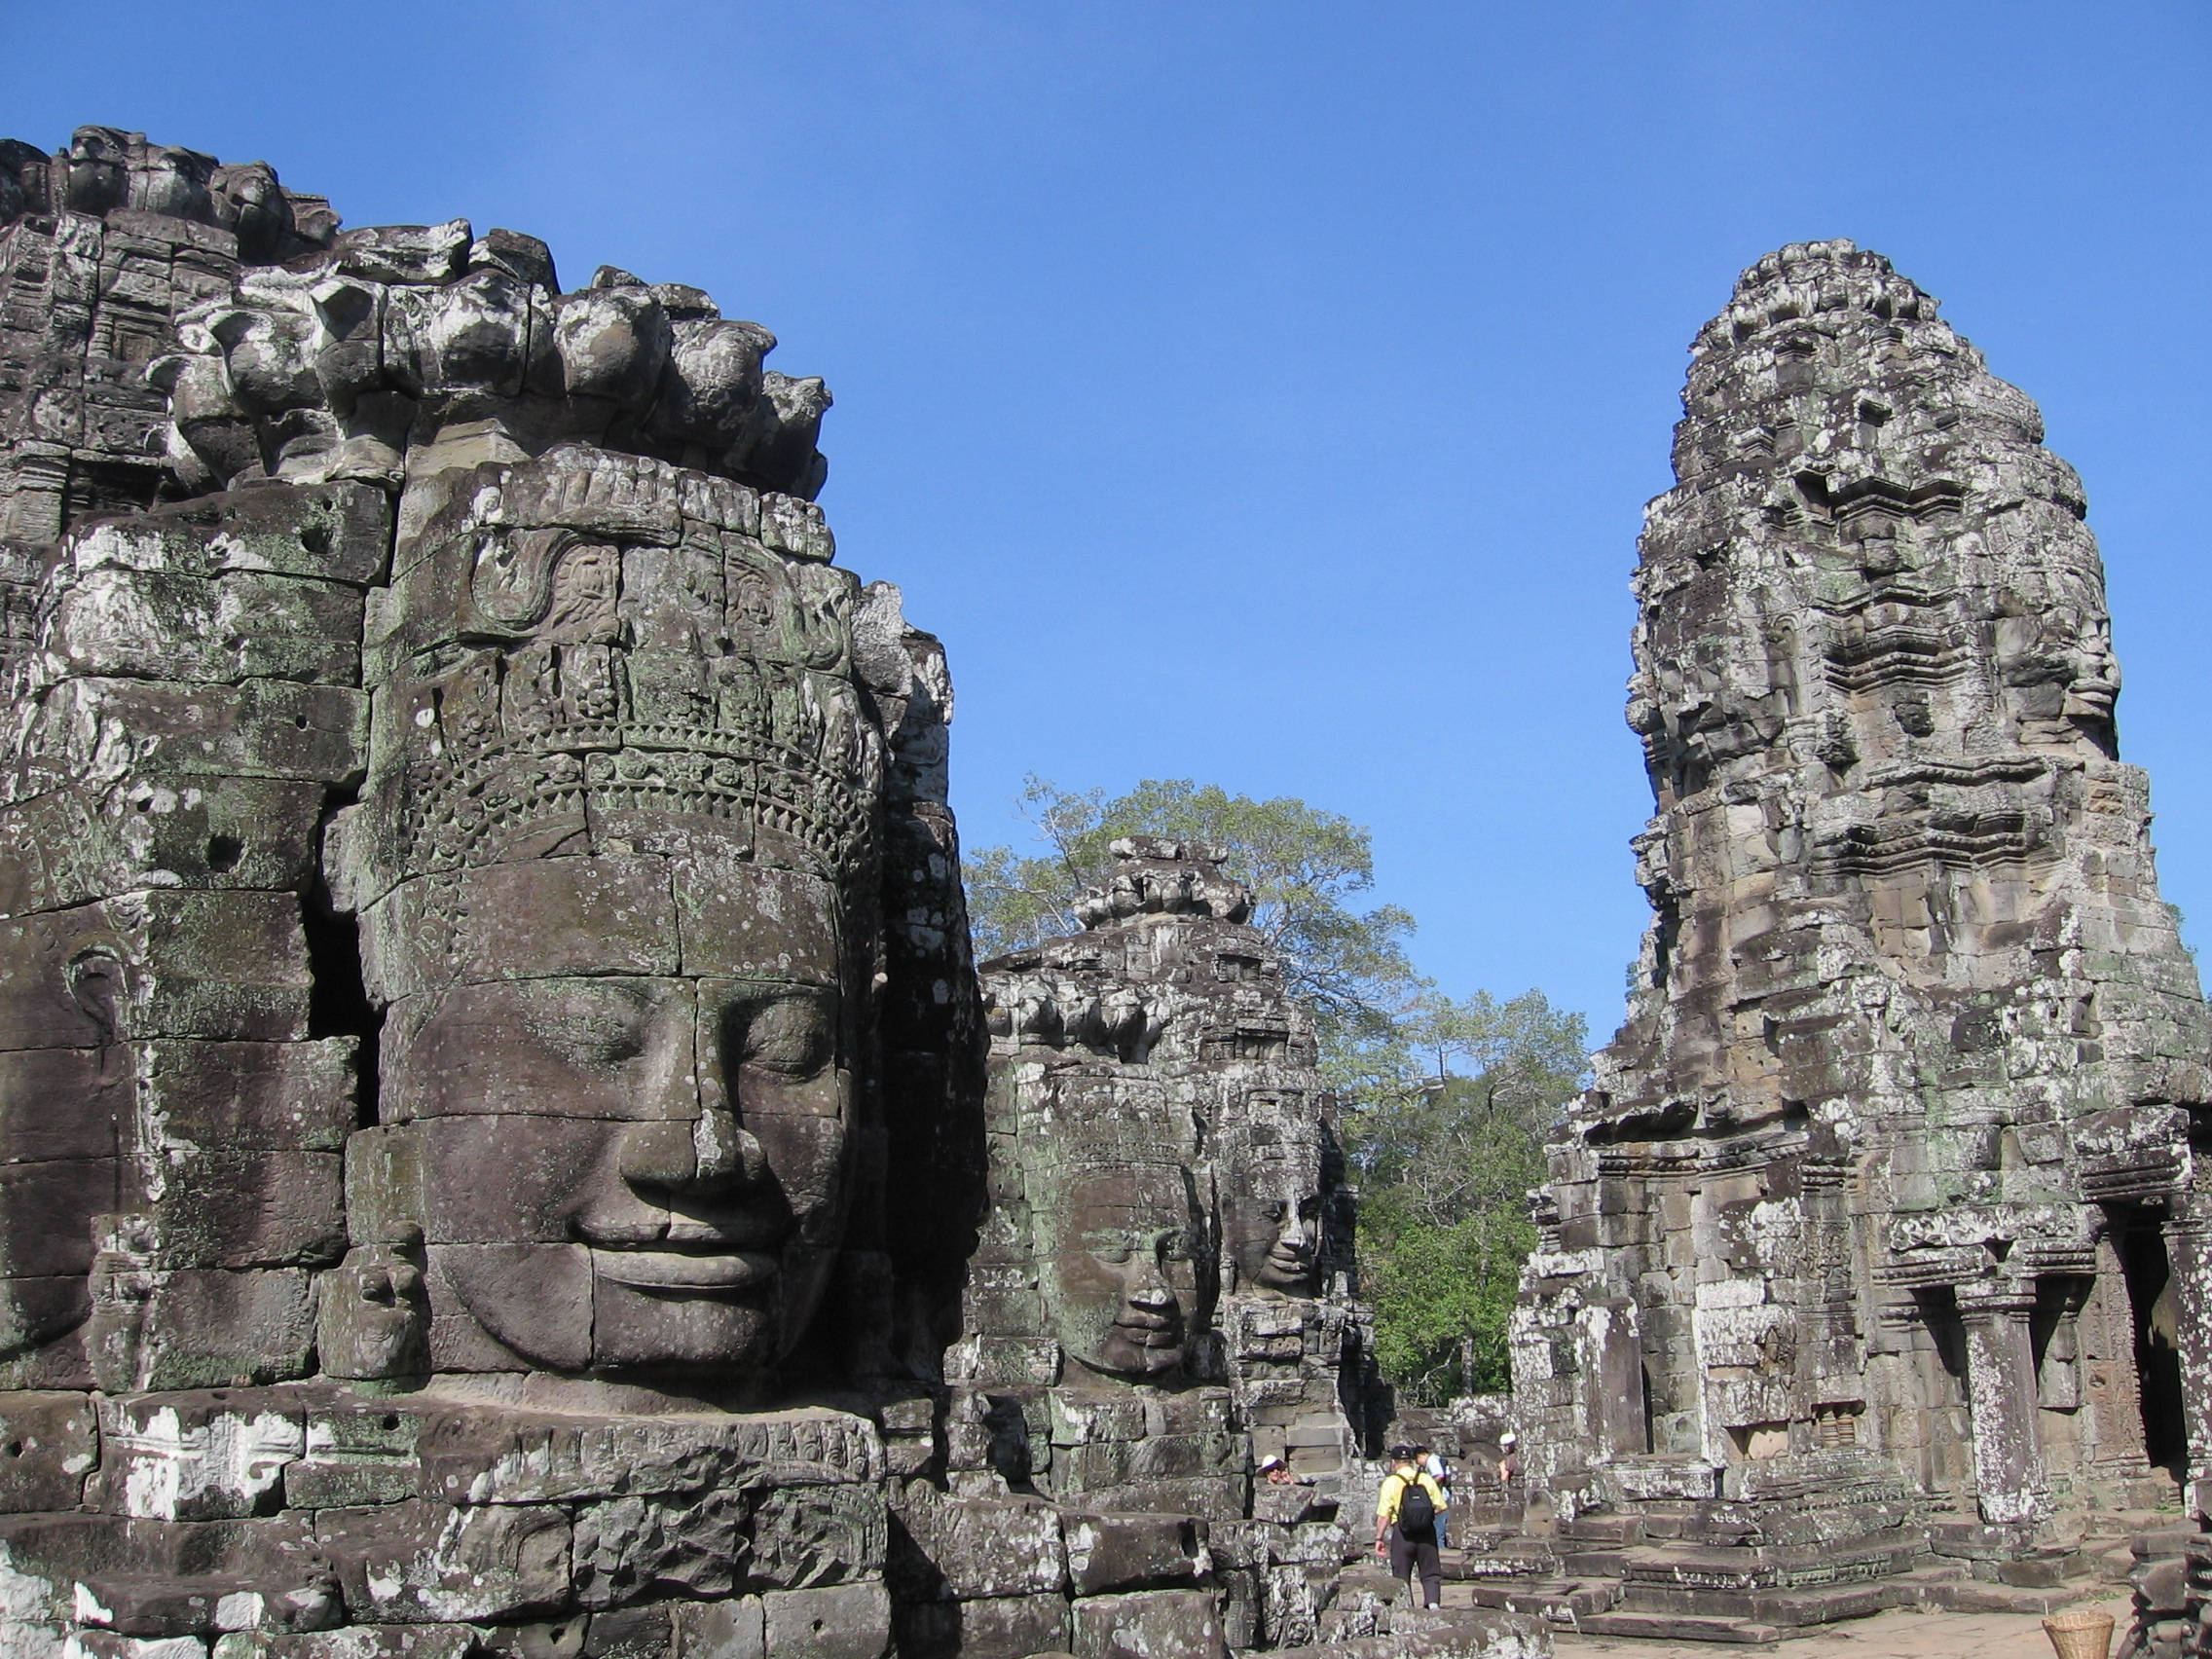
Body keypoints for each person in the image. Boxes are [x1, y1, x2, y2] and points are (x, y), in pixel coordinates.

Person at [1374, 1445, 1447, 1611]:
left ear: (1394, 1462)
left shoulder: (1391, 1482)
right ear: (1411, 1461)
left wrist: (1379, 1538)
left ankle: (1404, 1608)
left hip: (1402, 1532)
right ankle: (1433, 1603)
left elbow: (1384, 1515)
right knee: (1430, 1570)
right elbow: (1441, 1506)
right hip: (1426, 1531)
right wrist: (1424, 1517)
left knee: (1401, 1572)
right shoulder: (1426, 1478)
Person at [1419, 1445, 1452, 1549]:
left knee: (1438, 1533)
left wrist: (1429, 1486)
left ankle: (1441, 1553)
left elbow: (1439, 1475)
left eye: (1417, 1461)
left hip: (1441, 1499)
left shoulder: (1431, 1460)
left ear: (1420, 1456)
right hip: (1443, 1498)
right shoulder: (1436, 1459)